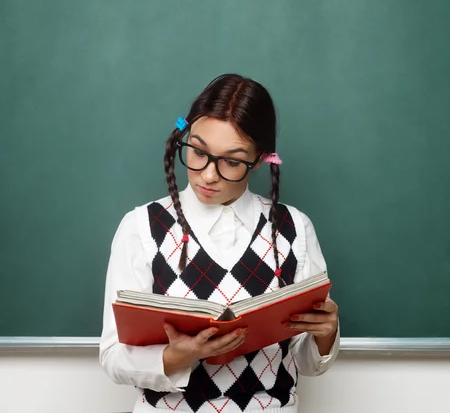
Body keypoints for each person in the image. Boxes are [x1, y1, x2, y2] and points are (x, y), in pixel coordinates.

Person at [100, 73, 339, 413]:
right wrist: (176, 357)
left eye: (231, 161)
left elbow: (308, 363)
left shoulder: (293, 228)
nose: (208, 174)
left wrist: (325, 334)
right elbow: (113, 356)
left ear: (259, 159)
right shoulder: (142, 228)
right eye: (197, 151)